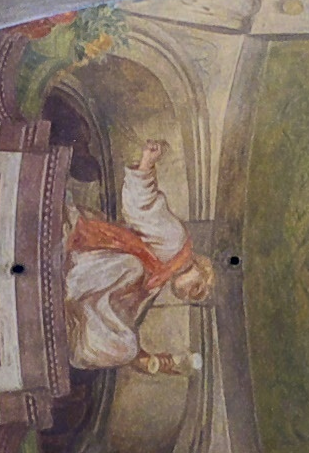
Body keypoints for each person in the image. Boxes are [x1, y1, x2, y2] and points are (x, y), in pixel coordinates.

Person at [63, 140, 213, 379]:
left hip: (97, 293)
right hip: (90, 254)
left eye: (194, 294)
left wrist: (139, 355)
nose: (189, 294)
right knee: (133, 268)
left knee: (125, 346)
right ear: (198, 265)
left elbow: (123, 314)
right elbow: (142, 207)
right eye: (197, 286)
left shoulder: (160, 278)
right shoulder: (175, 241)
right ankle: (69, 286)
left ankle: (75, 318)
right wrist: (146, 166)